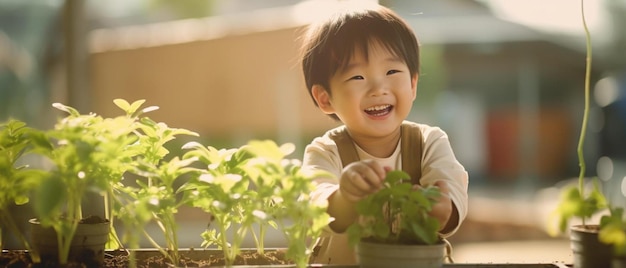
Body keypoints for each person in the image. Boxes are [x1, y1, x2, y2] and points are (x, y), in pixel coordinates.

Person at [299, 2, 469, 265]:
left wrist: (441, 209)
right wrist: (344, 197)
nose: (379, 88)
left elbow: (452, 194)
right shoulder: (325, 151)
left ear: (413, 84)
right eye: (357, 77)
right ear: (325, 98)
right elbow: (314, 204)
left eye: (392, 71)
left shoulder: (429, 142)